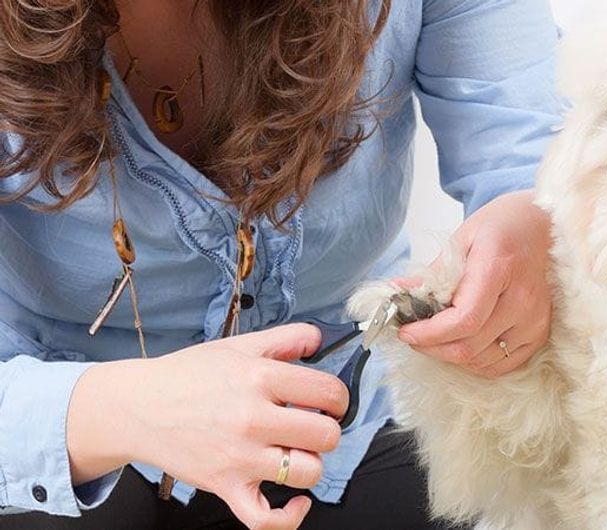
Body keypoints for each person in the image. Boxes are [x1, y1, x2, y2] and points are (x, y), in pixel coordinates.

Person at [0, 0, 561, 528]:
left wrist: (532, 224)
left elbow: (536, 158)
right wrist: (121, 410)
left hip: (350, 411)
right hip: (50, 412)